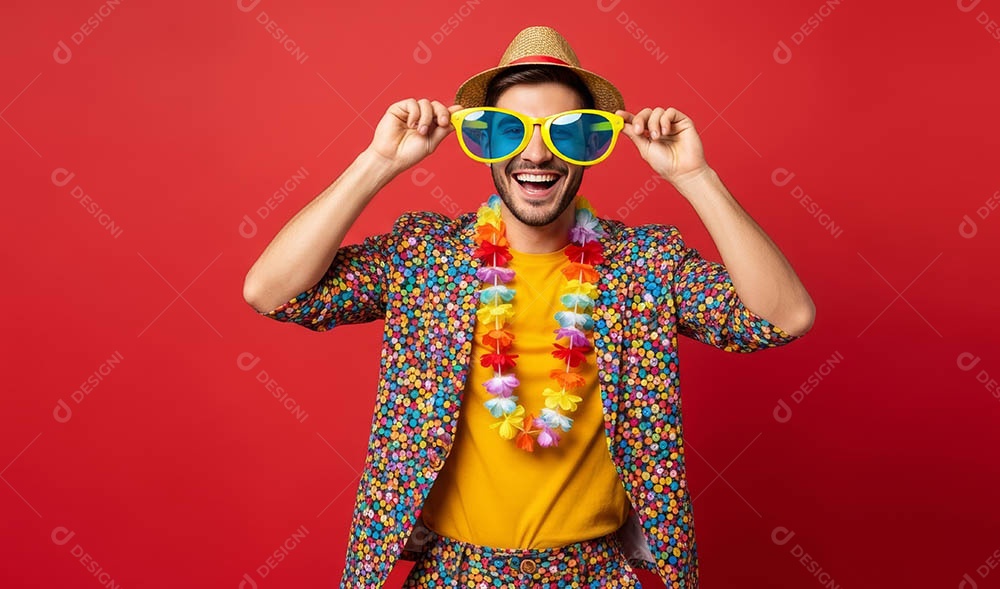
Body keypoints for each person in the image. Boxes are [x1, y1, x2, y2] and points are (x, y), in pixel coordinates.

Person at [244, 25, 814, 589]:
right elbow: (272, 292)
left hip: (593, 574)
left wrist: (695, 177)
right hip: (455, 574)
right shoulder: (426, 256)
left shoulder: (644, 265)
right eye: (508, 130)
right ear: (485, 142)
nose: (536, 152)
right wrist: (378, 162)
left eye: (566, 133)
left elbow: (782, 317)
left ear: (594, 145)